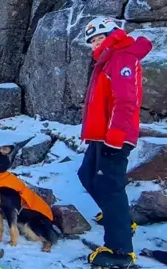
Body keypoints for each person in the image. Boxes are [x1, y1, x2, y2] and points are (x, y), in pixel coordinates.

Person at [78, 17, 152, 268]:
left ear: (113, 34)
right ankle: (119, 219)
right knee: (87, 175)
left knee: (111, 188)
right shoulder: (107, 59)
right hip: (101, 135)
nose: (94, 44)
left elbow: (126, 101)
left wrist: (116, 139)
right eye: (92, 41)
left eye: (99, 38)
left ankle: (120, 251)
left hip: (114, 138)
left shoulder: (121, 57)